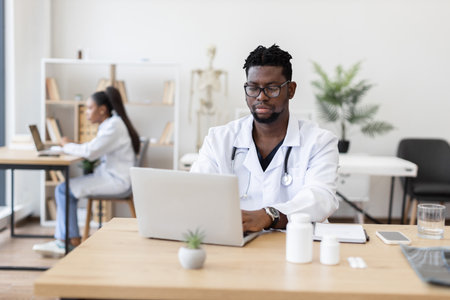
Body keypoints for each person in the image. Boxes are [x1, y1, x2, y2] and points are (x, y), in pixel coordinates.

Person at [190, 45, 339, 233]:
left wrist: (270, 215)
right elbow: (196, 190)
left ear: (291, 90)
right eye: (253, 88)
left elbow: (321, 197)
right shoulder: (219, 139)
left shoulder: (319, 142)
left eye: (272, 88)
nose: (261, 97)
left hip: (297, 242)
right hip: (238, 241)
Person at [33, 86, 140, 257]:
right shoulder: (112, 124)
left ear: (103, 110)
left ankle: (66, 241)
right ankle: (70, 239)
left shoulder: (113, 126)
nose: (87, 113)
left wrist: (67, 145)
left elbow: (90, 152)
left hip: (117, 181)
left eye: (90, 108)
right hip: (112, 177)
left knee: (63, 189)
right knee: (64, 189)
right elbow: (93, 148)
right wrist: (73, 145)